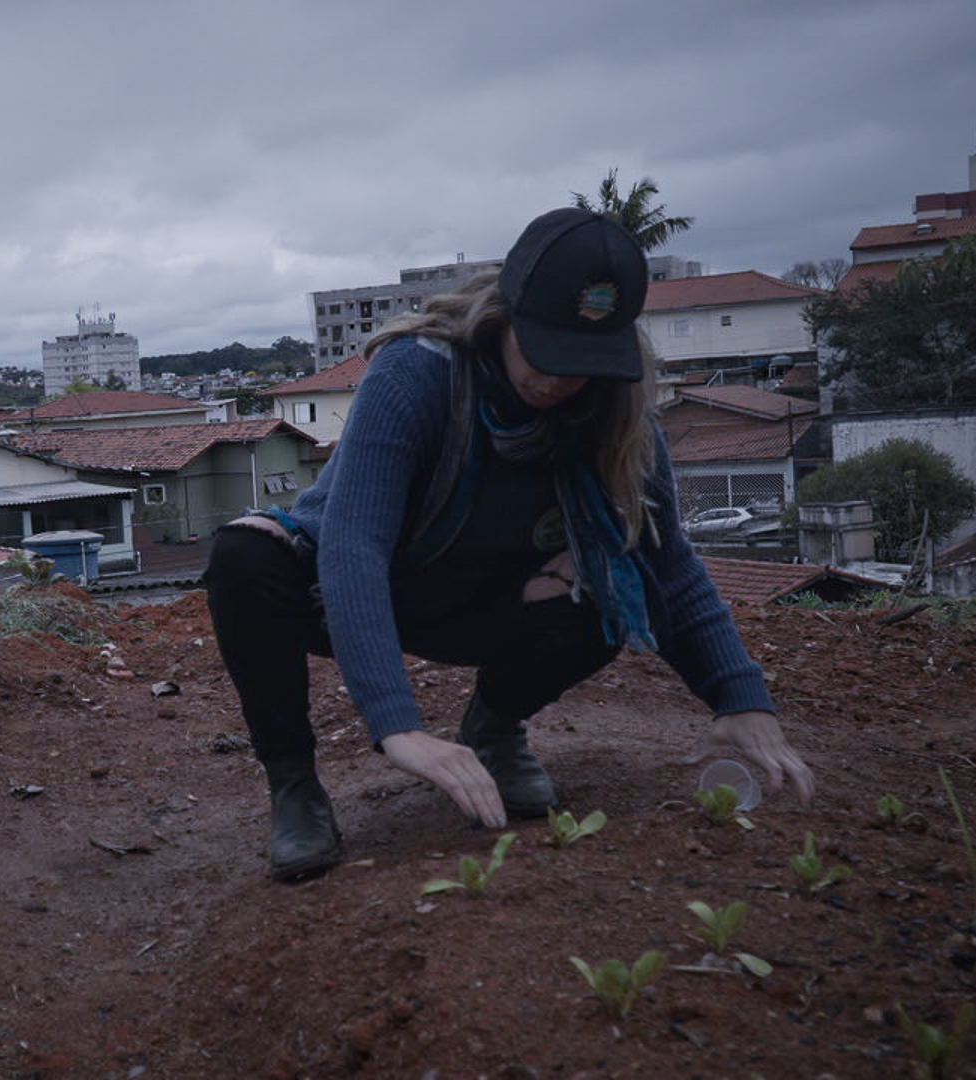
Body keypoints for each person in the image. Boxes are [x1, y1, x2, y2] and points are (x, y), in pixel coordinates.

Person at [204, 207, 816, 880]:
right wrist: (397, 726)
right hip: (352, 591)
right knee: (243, 557)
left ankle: (493, 728)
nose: (556, 381)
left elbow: (668, 565)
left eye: (580, 363)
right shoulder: (416, 374)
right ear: (505, 316)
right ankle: (293, 784)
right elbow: (353, 549)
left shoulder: (612, 414)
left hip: (478, 600)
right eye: (544, 351)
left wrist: (740, 700)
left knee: (614, 582)